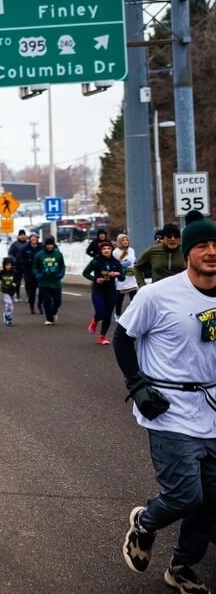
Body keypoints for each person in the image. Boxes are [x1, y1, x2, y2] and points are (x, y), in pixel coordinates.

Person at [116, 213, 216, 593]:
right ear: (188, 252)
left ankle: (182, 566)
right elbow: (123, 337)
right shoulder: (156, 295)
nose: (211, 252)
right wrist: (137, 384)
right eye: (202, 246)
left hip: (212, 405)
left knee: (211, 501)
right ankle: (144, 524)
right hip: (168, 406)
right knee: (185, 495)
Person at [82, 240, 124, 345]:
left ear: (111, 250)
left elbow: (122, 278)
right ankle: (95, 320)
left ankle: (102, 337)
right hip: (98, 290)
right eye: (104, 249)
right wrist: (95, 279)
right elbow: (85, 273)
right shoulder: (96, 261)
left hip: (111, 291)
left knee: (108, 315)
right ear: (100, 250)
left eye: (109, 248)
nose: (106, 250)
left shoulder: (115, 262)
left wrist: (118, 274)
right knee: (101, 313)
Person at [33, 236, 67, 325]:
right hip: (44, 282)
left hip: (55, 282)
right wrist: (38, 275)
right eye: (48, 245)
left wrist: (61, 273)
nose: (49, 246)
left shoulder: (58, 254)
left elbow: (62, 266)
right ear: (45, 245)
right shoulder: (39, 255)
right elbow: (35, 268)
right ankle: (49, 318)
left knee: (58, 301)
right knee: (47, 301)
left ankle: (53, 311)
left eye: (51, 244)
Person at [114, 233, 139, 315]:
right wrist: (121, 265)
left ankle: (133, 315)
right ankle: (117, 314)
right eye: (123, 240)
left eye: (126, 240)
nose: (125, 241)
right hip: (121, 279)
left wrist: (135, 265)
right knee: (119, 300)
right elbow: (114, 265)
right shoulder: (115, 252)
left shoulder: (131, 250)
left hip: (131, 277)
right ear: (119, 242)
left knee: (134, 299)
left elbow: (134, 260)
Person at [18, 233, 43, 315]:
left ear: (37, 239)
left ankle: (39, 305)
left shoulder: (42, 247)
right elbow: (19, 260)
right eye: (32, 238)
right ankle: (32, 307)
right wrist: (27, 261)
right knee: (31, 292)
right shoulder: (25, 249)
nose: (33, 239)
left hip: (40, 273)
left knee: (42, 291)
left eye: (35, 238)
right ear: (29, 239)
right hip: (29, 272)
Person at [0, 257, 20, 327]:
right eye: (6, 265)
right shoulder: (2, 272)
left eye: (9, 265)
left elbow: (18, 279)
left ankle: (7, 315)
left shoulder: (15, 272)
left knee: (9, 305)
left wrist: (15, 283)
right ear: (4, 265)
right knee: (9, 303)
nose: (8, 267)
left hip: (12, 290)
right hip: (5, 290)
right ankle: (8, 317)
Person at [7, 230, 30, 301]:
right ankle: (17, 295)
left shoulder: (28, 244)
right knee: (17, 281)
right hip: (17, 265)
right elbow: (10, 254)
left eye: (24, 235)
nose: (22, 236)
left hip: (26, 265)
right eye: (21, 235)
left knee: (28, 282)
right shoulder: (14, 244)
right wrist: (14, 261)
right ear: (18, 236)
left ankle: (29, 296)